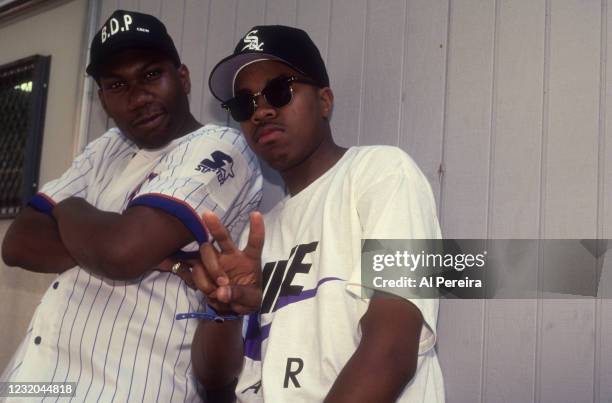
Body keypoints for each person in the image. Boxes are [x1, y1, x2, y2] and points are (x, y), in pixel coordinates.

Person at [0, 10, 261, 402]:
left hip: (125, 386)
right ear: (102, 100)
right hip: (32, 380)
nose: (139, 98)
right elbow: (18, 244)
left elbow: (122, 253)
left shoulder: (221, 146)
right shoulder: (107, 147)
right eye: (118, 85)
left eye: (152, 74)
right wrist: (135, 248)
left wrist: (68, 207)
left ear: (183, 77)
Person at [187, 25, 445, 402]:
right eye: (244, 104)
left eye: (278, 90)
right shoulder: (256, 236)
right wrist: (222, 307)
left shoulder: (384, 173)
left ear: (324, 101)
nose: (261, 112)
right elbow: (215, 382)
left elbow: (392, 351)